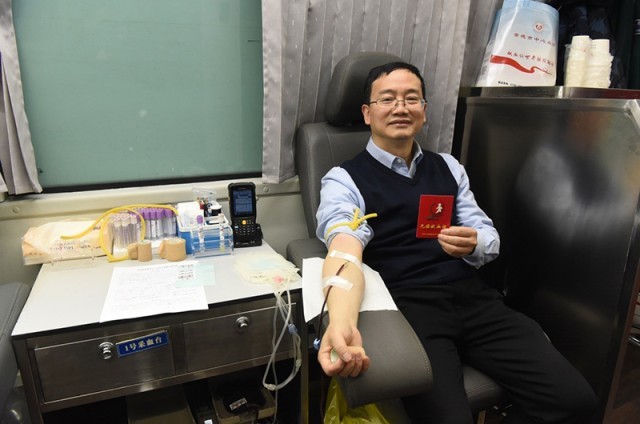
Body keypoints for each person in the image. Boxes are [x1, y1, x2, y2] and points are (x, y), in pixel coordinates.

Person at [315, 61, 597, 423]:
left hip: (474, 299)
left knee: (576, 402)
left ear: (424, 111)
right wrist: (340, 321)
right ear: (368, 113)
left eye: (411, 98)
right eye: (387, 99)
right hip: (410, 308)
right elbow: (344, 249)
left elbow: (488, 236)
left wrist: (473, 241)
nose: (400, 107)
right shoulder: (344, 178)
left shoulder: (448, 167)